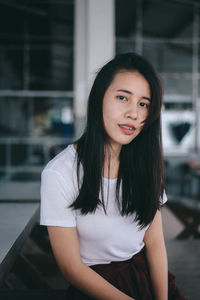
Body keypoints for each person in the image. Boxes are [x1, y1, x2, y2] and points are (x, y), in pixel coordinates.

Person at [40, 53, 187, 300]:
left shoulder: (146, 163)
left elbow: (154, 244)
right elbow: (71, 268)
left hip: (147, 278)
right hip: (96, 287)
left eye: (144, 104)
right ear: (99, 99)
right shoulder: (60, 172)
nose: (134, 113)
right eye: (122, 98)